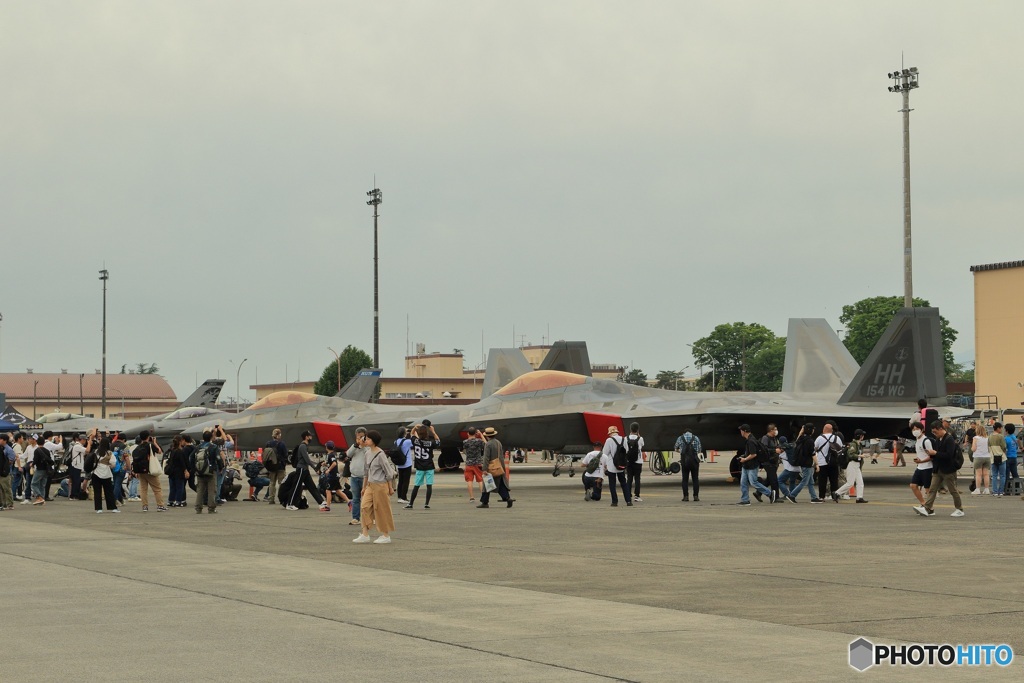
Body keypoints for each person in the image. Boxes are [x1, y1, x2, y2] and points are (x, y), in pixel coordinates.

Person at [352, 430, 395, 544]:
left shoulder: (381, 455)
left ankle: (386, 535)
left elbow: (389, 473)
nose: (365, 440)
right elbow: (366, 472)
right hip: (370, 485)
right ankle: (365, 534)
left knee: (382, 510)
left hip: (381, 485)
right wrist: (364, 486)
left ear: (374, 441)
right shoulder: (367, 453)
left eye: (368, 438)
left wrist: (390, 487)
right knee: (364, 507)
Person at [914, 420, 965, 517]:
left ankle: (959, 509)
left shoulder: (949, 439)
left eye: (935, 432)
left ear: (941, 429)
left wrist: (935, 453)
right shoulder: (938, 439)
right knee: (932, 489)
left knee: (953, 490)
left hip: (948, 469)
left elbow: (949, 455)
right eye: (933, 432)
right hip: (938, 469)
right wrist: (930, 455)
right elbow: (937, 454)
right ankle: (927, 508)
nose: (934, 434)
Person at [287, 430, 325, 511]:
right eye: (310, 436)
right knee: (296, 486)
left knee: (312, 486)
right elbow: (307, 459)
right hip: (301, 469)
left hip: (305, 469)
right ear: (306, 437)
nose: (311, 437)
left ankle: (321, 502)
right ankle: (290, 504)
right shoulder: (303, 446)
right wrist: (315, 468)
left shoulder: (304, 446)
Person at [737, 424, 774, 505]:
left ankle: (770, 493)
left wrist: (745, 459)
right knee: (743, 483)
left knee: (753, 482)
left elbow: (754, 454)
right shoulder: (749, 440)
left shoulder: (751, 441)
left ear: (745, 431)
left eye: (741, 430)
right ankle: (745, 500)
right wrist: (744, 456)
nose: (740, 432)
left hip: (752, 465)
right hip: (746, 465)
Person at [478, 427, 513, 508]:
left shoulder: (488, 444)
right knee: (500, 484)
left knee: (487, 484)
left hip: (491, 467)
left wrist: (485, 469)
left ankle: (485, 502)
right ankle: (507, 498)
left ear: (487, 436)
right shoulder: (498, 442)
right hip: (499, 466)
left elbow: (486, 457)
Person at [132, 430, 167, 512]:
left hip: (141, 471)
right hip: (150, 470)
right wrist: (155, 442)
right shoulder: (150, 445)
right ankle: (160, 505)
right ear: (148, 437)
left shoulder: (138, 447)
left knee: (143, 489)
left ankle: (145, 506)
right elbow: (160, 451)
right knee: (157, 489)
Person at [191, 430, 224, 514]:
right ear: (211, 437)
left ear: (203, 438)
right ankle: (211, 508)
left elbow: (191, 457)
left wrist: (195, 468)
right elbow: (218, 458)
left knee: (200, 490)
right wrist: (221, 467)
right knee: (212, 490)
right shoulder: (213, 447)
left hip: (200, 472)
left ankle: (198, 508)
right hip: (211, 471)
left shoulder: (198, 447)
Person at [405, 424, 437, 509]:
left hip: (420, 466)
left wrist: (415, 428)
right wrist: (433, 432)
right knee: (429, 485)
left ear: (418, 434)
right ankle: (426, 503)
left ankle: (411, 503)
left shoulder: (416, 441)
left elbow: (411, 434)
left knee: (417, 485)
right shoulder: (430, 443)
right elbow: (438, 441)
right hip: (429, 465)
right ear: (427, 434)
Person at [601, 426, 632, 507]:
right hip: (621, 464)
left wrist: (604, 465)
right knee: (623, 483)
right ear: (617, 432)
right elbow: (627, 450)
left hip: (611, 465)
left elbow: (605, 453)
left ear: (610, 433)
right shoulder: (623, 439)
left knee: (612, 484)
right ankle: (628, 501)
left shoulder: (609, 440)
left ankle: (615, 502)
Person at [834, 429, 868, 502]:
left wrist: (860, 456)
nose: (863, 436)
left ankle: (859, 497)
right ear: (860, 436)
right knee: (850, 483)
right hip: (852, 464)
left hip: (857, 465)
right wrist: (861, 456)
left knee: (860, 482)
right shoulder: (853, 444)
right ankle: (837, 493)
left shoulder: (859, 444)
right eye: (862, 435)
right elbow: (850, 455)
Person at [346, 427, 370, 525]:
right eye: (358, 437)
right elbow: (348, 454)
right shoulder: (354, 447)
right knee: (355, 498)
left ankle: (369, 518)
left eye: (361, 437)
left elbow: (369, 455)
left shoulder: (368, 447)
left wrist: (363, 446)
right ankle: (356, 518)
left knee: (367, 499)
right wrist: (356, 446)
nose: (359, 439)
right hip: (354, 476)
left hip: (365, 477)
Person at [814, 422, 843, 503]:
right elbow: (840, 449)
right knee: (834, 480)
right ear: (832, 430)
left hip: (822, 463)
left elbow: (815, 448)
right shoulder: (837, 438)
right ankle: (835, 496)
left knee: (822, 481)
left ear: (824, 429)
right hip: (834, 462)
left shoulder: (819, 438)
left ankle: (821, 497)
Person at [90, 437, 119, 513]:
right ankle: (113, 507)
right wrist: (108, 465)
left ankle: (99, 508)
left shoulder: (96, 452)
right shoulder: (109, 453)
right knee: (108, 491)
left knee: (97, 492)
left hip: (96, 473)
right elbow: (113, 464)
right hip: (106, 474)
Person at [320, 440, 350, 511]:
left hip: (332, 476)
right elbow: (332, 463)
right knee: (338, 491)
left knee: (328, 490)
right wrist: (325, 464)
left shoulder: (331, 455)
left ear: (327, 447)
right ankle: (349, 502)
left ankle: (327, 506)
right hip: (336, 475)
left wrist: (328, 470)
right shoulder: (331, 455)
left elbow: (334, 463)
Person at [909, 421, 933, 506]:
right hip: (920, 467)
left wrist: (921, 461)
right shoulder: (917, 441)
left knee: (927, 489)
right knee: (913, 485)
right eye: (913, 429)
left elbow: (931, 456)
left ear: (922, 430)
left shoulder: (926, 441)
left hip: (927, 468)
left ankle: (930, 507)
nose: (915, 431)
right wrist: (918, 460)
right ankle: (923, 503)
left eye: (917, 429)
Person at [674, 428, 701, 502]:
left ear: (684, 432)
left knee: (685, 479)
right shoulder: (696, 438)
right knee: (695, 479)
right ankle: (696, 496)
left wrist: (682, 451)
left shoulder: (680, 438)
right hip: (694, 461)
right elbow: (699, 450)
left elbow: (675, 448)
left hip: (684, 461)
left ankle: (686, 496)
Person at [263, 429, 289, 504]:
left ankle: (271, 499)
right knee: (281, 483)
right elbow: (285, 454)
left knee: (272, 483)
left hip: (271, 466)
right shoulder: (282, 444)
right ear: (279, 435)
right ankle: (281, 498)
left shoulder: (268, 443)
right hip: (280, 466)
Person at [760, 424, 784, 503]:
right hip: (768, 462)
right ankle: (775, 497)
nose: (776, 431)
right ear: (771, 430)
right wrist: (774, 451)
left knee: (769, 480)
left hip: (773, 462)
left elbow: (775, 447)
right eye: (775, 429)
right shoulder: (765, 438)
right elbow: (764, 449)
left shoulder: (774, 438)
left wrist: (780, 449)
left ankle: (758, 493)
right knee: (774, 480)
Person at [165, 436, 190, 507]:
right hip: (179, 472)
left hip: (171, 472)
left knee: (172, 487)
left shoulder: (172, 451)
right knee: (180, 487)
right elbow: (182, 462)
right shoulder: (180, 451)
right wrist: (186, 471)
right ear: (180, 442)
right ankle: (178, 501)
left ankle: (170, 500)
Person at [461, 427, 484, 502]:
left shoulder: (465, 442)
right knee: (480, 480)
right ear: (475, 433)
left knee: (469, 481)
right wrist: (481, 435)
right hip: (478, 463)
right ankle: (483, 497)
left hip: (469, 463)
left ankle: (471, 497)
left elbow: (464, 450)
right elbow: (486, 444)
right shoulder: (479, 441)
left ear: (468, 433)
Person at [30, 435, 54, 505]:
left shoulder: (37, 450)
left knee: (34, 483)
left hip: (39, 469)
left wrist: (32, 464)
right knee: (42, 485)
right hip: (46, 470)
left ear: (37, 442)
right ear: (44, 442)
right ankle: (42, 499)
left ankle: (39, 497)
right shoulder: (47, 450)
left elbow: (36, 460)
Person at [625, 422, 645, 502]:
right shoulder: (640, 439)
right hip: (638, 461)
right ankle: (637, 495)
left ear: (630, 429)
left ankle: (628, 495)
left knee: (629, 478)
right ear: (638, 430)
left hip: (629, 461)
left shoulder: (626, 438)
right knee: (637, 479)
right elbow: (642, 445)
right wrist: (639, 436)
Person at [970, 422, 991, 495]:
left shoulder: (975, 438)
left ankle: (978, 489)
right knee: (986, 474)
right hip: (987, 457)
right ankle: (987, 489)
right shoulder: (987, 438)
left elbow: (973, 448)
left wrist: (971, 448)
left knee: (978, 474)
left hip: (978, 456)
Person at [395, 427, 414, 504]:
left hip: (399, 464)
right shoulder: (407, 441)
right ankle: (404, 497)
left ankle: (399, 497)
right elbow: (414, 441)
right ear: (404, 434)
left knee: (400, 481)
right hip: (407, 463)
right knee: (406, 481)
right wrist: (412, 433)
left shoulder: (395, 441)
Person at [67, 433, 88, 500]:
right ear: (82, 440)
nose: (85, 442)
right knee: (76, 481)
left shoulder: (78, 446)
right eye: (85, 440)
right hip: (76, 465)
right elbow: (87, 450)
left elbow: (86, 452)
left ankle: (75, 494)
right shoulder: (77, 446)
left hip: (77, 465)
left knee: (76, 480)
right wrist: (90, 443)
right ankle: (74, 495)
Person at [989, 422, 1007, 497]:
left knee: (994, 475)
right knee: (1002, 475)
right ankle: (1001, 491)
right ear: (998, 428)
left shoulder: (990, 436)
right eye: (1001, 428)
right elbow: (1004, 446)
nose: (1002, 429)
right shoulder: (1001, 437)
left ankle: (995, 491)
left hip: (993, 457)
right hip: (1001, 457)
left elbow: (989, 446)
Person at [0, 433, 15, 510]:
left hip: (6, 472)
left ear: (4, 440)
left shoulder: (8, 449)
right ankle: (3, 504)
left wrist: (4, 462)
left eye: (1, 439)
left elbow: (11, 460)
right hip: (1, 471)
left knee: (6, 488)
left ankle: (10, 504)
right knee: (1, 489)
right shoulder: (1, 448)